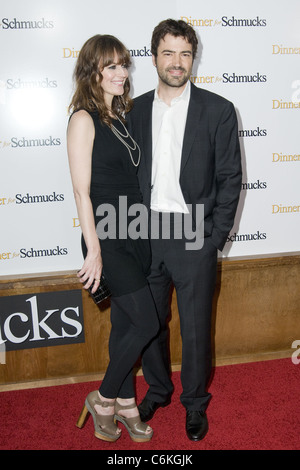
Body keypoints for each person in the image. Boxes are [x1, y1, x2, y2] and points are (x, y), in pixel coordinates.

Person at [127, 19, 242, 441]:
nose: (177, 62)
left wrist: (216, 238)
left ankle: (195, 403)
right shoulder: (133, 110)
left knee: (195, 327)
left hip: (195, 230)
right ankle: (158, 389)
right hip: (143, 229)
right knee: (150, 323)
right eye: (169, 53)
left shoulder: (218, 109)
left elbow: (231, 178)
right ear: (154, 56)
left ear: (194, 57)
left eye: (185, 54)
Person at [67, 34, 159, 443]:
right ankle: (103, 398)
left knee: (126, 324)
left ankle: (126, 403)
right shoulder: (83, 118)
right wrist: (95, 251)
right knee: (147, 321)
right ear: (93, 71)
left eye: (124, 64)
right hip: (107, 234)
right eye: (111, 66)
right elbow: (81, 191)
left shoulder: (119, 116)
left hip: (136, 229)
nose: (121, 73)